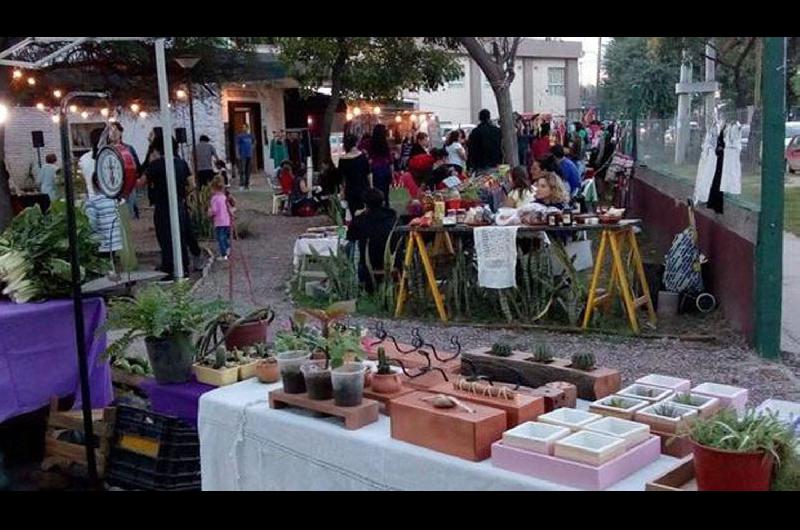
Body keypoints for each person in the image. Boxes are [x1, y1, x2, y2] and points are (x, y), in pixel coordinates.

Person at [141, 135, 194, 279]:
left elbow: (141, 182)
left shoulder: (157, 164)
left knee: (165, 237)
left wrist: (149, 163)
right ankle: (184, 266)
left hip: (163, 205)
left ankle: (170, 268)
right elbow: (192, 184)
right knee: (179, 235)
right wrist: (182, 194)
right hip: (179, 203)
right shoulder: (181, 163)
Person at [346, 188, 397, 293]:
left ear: (365, 204)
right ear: (382, 202)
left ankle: (356, 283)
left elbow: (350, 236)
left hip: (370, 262)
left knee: (350, 248)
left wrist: (356, 217)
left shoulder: (361, 220)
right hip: (394, 260)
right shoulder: (393, 217)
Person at [108, 122, 142, 219]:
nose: (113, 133)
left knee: (128, 214)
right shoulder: (106, 150)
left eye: (116, 130)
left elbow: (137, 167)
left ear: (121, 132)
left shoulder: (128, 148)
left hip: (128, 185)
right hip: (112, 187)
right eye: (111, 130)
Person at [84, 172, 123, 256]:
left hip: (101, 243)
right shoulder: (115, 199)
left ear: (97, 182)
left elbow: (91, 223)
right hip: (115, 241)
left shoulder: (93, 202)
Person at [338, 134, 372, 217]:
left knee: (353, 213)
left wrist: (342, 191)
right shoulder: (362, 157)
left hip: (350, 189)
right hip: (363, 187)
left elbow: (342, 178)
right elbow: (368, 173)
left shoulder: (342, 160)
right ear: (356, 143)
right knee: (365, 212)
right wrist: (371, 187)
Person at [208, 176, 232, 260]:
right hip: (226, 221)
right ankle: (227, 247)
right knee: (224, 236)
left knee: (220, 237)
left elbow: (214, 210)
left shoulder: (214, 199)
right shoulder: (224, 197)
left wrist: (210, 212)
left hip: (219, 221)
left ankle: (223, 253)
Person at [369, 124, 393, 207]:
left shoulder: (371, 143)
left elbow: (369, 158)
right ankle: (386, 208)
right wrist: (392, 174)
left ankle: (378, 208)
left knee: (377, 193)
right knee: (386, 193)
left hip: (375, 170)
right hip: (385, 170)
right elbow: (390, 160)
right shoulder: (385, 143)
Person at [78, 128, 104, 197]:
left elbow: (82, 183)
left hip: (92, 198)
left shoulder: (83, 159)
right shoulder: (109, 157)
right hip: (111, 200)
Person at [236, 124, 255, 190]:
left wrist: (252, 148)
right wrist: (238, 154)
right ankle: (241, 183)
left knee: (248, 170)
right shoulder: (240, 136)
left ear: (247, 128)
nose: (243, 128)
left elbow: (254, 142)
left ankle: (247, 183)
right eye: (242, 127)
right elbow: (237, 145)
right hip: (242, 155)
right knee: (242, 170)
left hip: (249, 155)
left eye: (245, 127)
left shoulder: (250, 136)